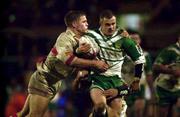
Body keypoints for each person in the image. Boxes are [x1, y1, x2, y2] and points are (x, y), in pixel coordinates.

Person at [15, 10, 109, 117]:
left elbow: (101, 35)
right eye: (84, 21)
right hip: (45, 79)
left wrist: (123, 34)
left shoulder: (84, 39)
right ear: (74, 24)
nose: (87, 24)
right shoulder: (64, 38)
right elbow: (68, 60)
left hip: (55, 81)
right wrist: (95, 63)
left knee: (22, 114)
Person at [75, 10, 145, 117]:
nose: (111, 27)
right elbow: (77, 50)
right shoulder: (90, 35)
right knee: (100, 107)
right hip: (98, 79)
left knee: (116, 114)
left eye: (113, 24)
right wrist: (79, 50)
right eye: (107, 24)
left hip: (116, 81)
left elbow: (139, 60)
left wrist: (135, 80)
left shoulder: (123, 38)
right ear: (100, 23)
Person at [121, 32, 154, 117]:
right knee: (125, 112)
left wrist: (152, 91)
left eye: (136, 38)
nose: (134, 40)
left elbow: (149, 74)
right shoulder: (121, 55)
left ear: (140, 40)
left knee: (139, 112)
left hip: (140, 86)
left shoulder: (145, 55)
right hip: (124, 85)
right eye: (132, 38)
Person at [153, 35, 180, 117]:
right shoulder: (171, 50)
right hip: (164, 88)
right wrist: (173, 72)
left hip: (177, 88)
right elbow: (156, 66)